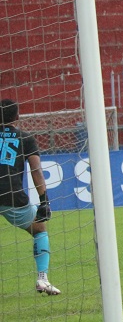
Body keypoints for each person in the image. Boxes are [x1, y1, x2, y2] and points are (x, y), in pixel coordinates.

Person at [0, 99, 60, 295]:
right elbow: (36, 170)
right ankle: (42, 279)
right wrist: (44, 201)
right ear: (17, 117)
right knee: (40, 228)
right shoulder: (26, 138)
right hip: (11, 195)